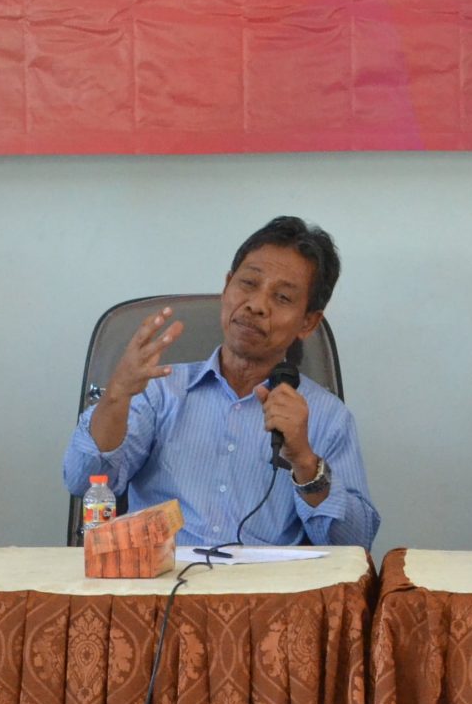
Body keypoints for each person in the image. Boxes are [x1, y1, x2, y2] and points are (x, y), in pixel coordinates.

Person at [62, 216, 379, 548]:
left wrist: (304, 461)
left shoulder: (328, 418)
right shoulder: (159, 392)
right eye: (248, 284)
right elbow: (82, 481)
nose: (256, 305)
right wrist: (116, 396)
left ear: (308, 322)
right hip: (161, 586)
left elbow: (355, 546)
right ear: (227, 286)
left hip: (265, 594)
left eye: (282, 298)